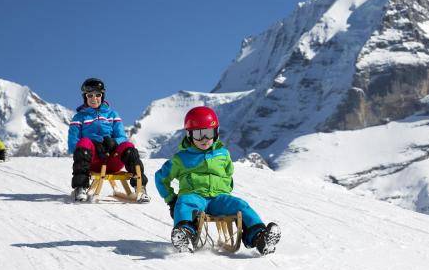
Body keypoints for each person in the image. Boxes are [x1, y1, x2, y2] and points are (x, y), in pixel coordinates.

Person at [154, 106, 281, 255]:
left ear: (216, 132)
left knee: (240, 205)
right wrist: (171, 199)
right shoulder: (181, 159)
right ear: (189, 135)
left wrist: (224, 190)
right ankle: (185, 234)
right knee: (185, 202)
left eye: (208, 133)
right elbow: (160, 178)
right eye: (198, 134)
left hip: (218, 198)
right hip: (195, 196)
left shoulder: (223, 154)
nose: (204, 139)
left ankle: (259, 237)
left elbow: (228, 173)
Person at [67, 77, 149, 203]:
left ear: (102, 96)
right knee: (84, 142)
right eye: (90, 95)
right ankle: (81, 187)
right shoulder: (79, 117)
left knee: (128, 146)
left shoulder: (112, 115)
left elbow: (122, 136)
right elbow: (73, 144)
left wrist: (114, 142)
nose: (94, 99)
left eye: (97, 95)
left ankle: (140, 188)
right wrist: (93, 144)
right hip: (91, 161)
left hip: (111, 160)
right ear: (85, 97)